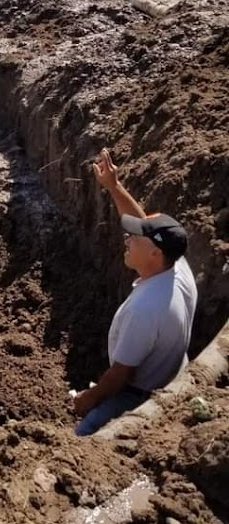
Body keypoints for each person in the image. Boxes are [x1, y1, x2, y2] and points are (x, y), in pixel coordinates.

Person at [73, 148, 197, 436]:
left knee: (83, 433)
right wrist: (113, 187)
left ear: (154, 253)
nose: (126, 238)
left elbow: (120, 375)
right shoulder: (177, 267)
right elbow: (144, 221)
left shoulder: (145, 309)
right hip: (173, 369)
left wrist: (87, 399)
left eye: (134, 237)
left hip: (139, 393)